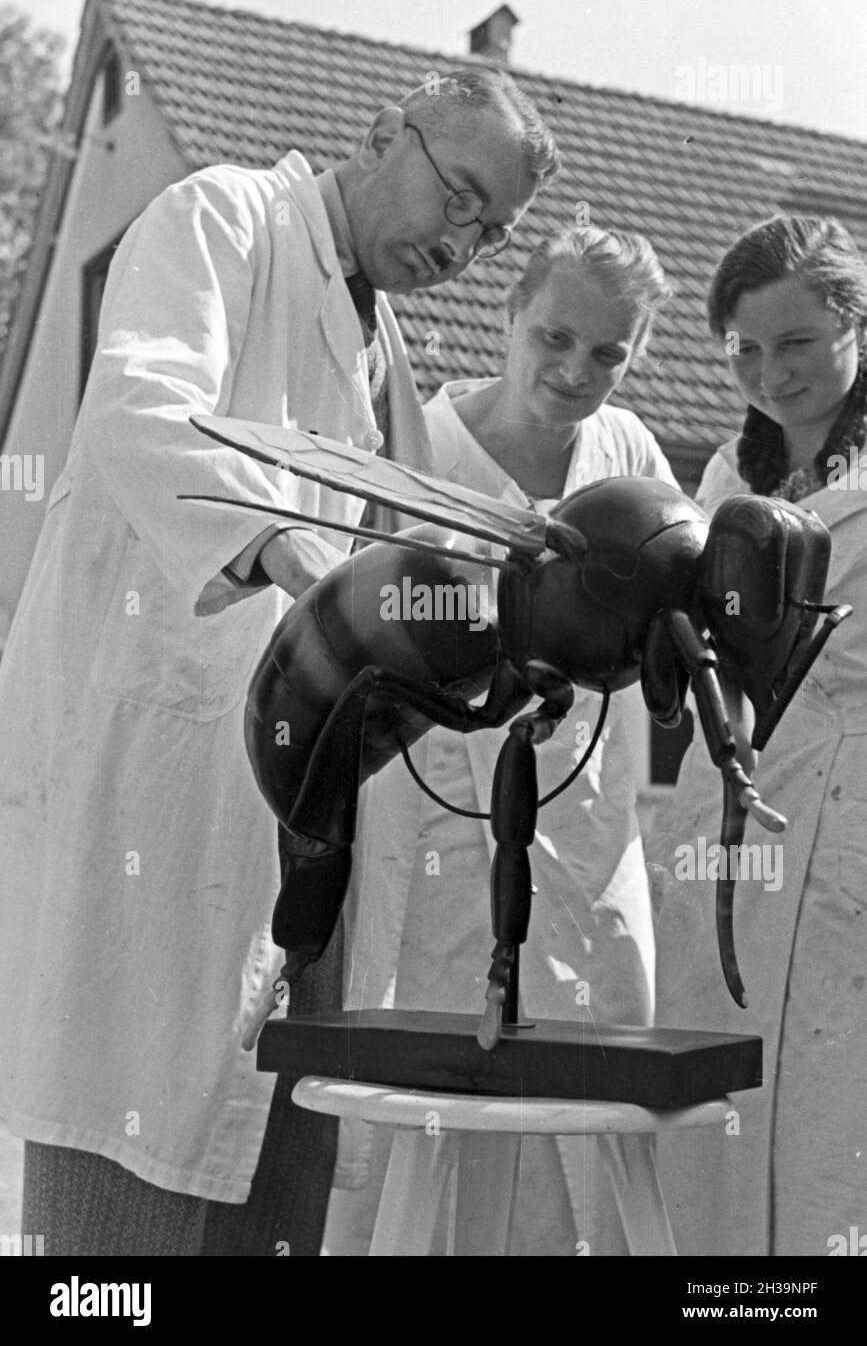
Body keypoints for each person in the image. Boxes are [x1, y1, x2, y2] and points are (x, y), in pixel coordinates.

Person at [0, 68, 558, 1256]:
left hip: (308, 842)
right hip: (164, 816)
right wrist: (296, 555)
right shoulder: (223, 219)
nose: (465, 242)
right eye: (460, 196)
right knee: (125, 1221)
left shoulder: (383, 356)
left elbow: (431, 551)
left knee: (276, 1193)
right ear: (376, 128)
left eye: (493, 232)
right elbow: (141, 408)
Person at [322, 224, 677, 1256]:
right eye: (556, 335)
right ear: (511, 313)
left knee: (591, 1141)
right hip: (438, 839)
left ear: (637, 354)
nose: (576, 371)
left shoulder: (634, 463)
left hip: (585, 839)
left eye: (610, 354)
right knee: (429, 1135)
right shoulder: (416, 454)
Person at [648, 214, 867, 1257]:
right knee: (718, 1131)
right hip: (729, 822)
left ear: (856, 328)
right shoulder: (727, 482)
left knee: (834, 1138)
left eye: (797, 345)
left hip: (851, 822)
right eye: (745, 349)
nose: (770, 374)